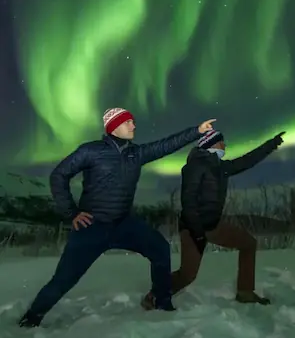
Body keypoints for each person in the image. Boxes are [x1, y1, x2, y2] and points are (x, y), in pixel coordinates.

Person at [18, 107, 217, 328]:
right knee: (64, 279)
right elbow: (59, 175)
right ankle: (31, 319)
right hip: (91, 227)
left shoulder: (136, 153)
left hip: (123, 224)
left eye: (132, 121)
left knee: (160, 248)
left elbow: (165, 145)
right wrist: (71, 212)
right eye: (128, 122)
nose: (133, 125)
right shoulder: (91, 150)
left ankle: (161, 303)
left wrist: (197, 131)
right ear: (114, 127)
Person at [141, 129, 285, 309]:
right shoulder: (195, 166)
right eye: (221, 142)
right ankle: (154, 295)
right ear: (211, 144)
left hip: (213, 225)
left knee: (248, 243)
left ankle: (245, 292)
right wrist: (197, 233)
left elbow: (246, 161)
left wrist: (271, 145)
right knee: (188, 275)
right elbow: (188, 202)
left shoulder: (221, 167)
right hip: (193, 228)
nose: (225, 146)